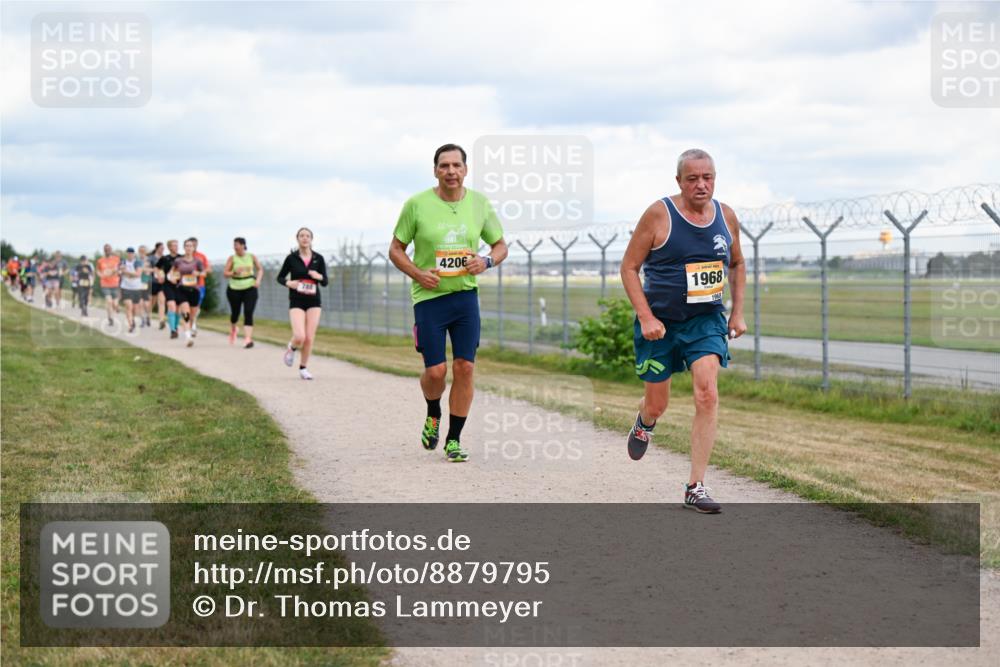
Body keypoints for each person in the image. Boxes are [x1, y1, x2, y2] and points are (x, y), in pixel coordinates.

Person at [619, 148, 747, 514]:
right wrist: (645, 317)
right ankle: (645, 421)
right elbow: (629, 268)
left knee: (707, 393)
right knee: (658, 403)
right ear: (679, 181)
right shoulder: (660, 214)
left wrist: (737, 313)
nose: (701, 185)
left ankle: (695, 486)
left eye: (707, 178)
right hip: (660, 323)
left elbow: (737, 264)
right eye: (693, 179)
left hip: (706, 320)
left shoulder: (726, 216)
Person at [388, 143, 508, 463]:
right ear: (435, 171)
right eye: (444, 166)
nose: (451, 171)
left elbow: (500, 245)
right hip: (429, 298)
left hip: (465, 297)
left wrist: (486, 262)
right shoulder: (416, 205)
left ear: (466, 170)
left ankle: (454, 440)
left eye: (457, 165)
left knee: (465, 367)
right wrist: (417, 273)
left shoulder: (480, 204)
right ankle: (432, 413)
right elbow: (396, 249)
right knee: (437, 371)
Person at [276, 228, 328, 380]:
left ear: (312, 239)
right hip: (297, 300)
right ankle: (291, 347)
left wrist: (318, 276)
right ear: (297, 239)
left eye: (307, 236)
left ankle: (303, 368)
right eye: (301, 236)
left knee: (309, 337)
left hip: (314, 301)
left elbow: (325, 282)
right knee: (300, 336)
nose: (305, 238)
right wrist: (288, 283)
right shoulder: (291, 258)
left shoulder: (319, 258)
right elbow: (280, 277)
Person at [223, 236, 263, 348]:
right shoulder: (232, 258)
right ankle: (234, 329)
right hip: (234, 289)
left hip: (250, 288)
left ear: (243, 245)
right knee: (235, 313)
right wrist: (233, 272)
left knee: (248, 312)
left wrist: (258, 280)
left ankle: (247, 339)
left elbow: (260, 269)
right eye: (234, 245)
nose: (234, 247)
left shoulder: (251, 257)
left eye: (236, 245)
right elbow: (225, 273)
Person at [171, 239, 205, 347]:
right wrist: (172, 278)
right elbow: (172, 272)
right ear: (184, 248)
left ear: (194, 248)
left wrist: (198, 273)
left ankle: (190, 329)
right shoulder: (178, 261)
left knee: (192, 315)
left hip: (194, 290)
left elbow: (204, 274)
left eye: (191, 246)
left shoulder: (198, 261)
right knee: (185, 312)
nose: (189, 248)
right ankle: (187, 337)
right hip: (182, 289)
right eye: (187, 246)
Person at [157, 240, 181, 338]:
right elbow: (158, 269)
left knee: (178, 309)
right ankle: (172, 330)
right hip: (167, 285)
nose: (176, 247)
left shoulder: (181, 258)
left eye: (177, 245)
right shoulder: (164, 258)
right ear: (169, 247)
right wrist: (161, 276)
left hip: (179, 285)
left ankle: (176, 326)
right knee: (171, 305)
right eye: (173, 245)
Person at [189, 237, 211, 337]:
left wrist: (199, 273)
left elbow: (209, 270)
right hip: (185, 285)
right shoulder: (182, 258)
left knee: (196, 307)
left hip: (199, 285)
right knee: (186, 307)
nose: (193, 246)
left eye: (195, 244)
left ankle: (193, 324)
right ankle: (189, 326)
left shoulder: (201, 256)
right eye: (190, 244)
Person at [120, 247, 145, 333]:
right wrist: (125, 272)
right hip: (125, 287)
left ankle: (133, 319)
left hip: (136, 288)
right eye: (128, 253)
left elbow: (138, 274)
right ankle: (130, 325)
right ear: (126, 254)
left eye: (131, 253)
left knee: (135, 308)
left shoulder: (138, 262)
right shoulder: (123, 262)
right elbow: (119, 271)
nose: (130, 254)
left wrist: (126, 272)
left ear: (134, 254)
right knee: (128, 306)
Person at [95, 244, 122, 327]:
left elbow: (121, 269)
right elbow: (98, 270)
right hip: (105, 283)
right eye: (106, 249)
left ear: (111, 250)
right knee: (109, 301)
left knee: (115, 304)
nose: (107, 250)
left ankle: (117, 307)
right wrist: (100, 275)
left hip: (115, 283)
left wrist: (116, 271)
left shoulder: (116, 259)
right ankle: (110, 318)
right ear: (104, 251)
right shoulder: (100, 261)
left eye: (109, 249)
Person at [148, 242, 166, 329]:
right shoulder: (151, 258)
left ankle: (161, 321)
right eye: (161, 248)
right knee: (152, 302)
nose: (163, 250)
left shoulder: (165, 258)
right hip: (153, 282)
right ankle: (148, 315)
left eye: (163, 248)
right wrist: (155, 271)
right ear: (157, 248)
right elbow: (146, 269)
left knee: (162, 301)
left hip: (162, 283)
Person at [137, 245, 154, 327]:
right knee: (140, 303)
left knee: (146, 303)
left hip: (146, 282)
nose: (142, 252)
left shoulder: (148, 261)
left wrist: (143, 269)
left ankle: (148, 316)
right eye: (140, 251)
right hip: (136, 283)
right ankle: (142, 320)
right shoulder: (136, 261)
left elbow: (151, 270)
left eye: (143, 251)